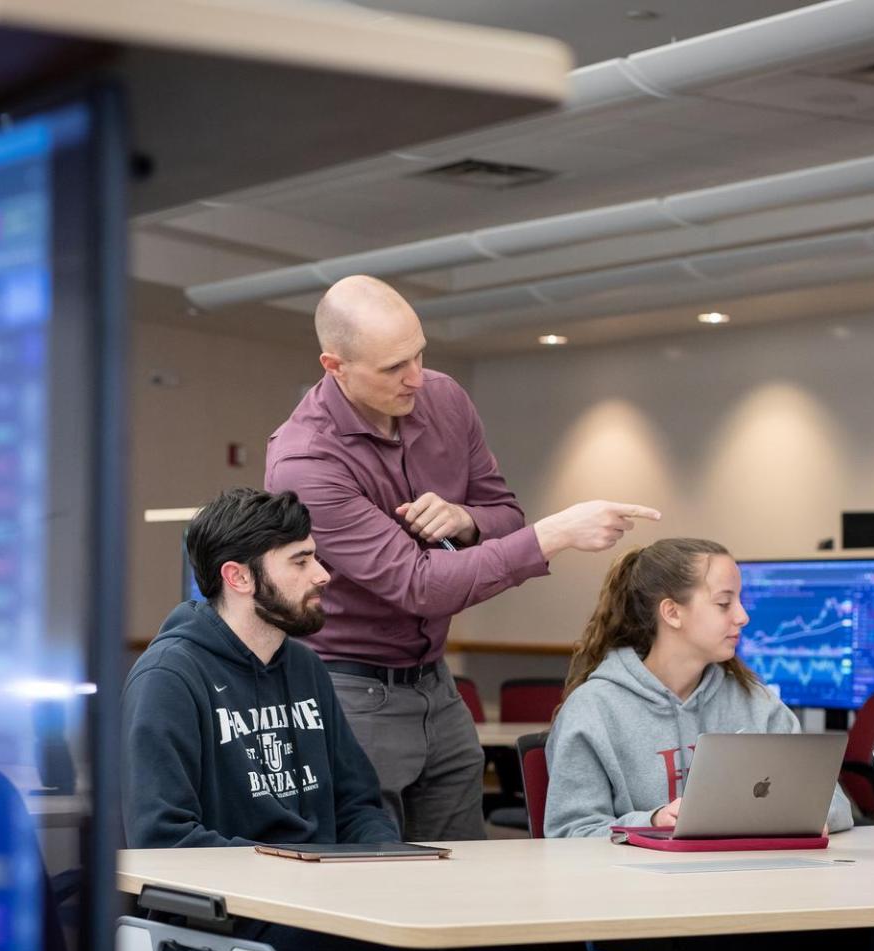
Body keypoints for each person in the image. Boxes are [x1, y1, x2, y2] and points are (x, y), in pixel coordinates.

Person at [123, 487, 559, 951]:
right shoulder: (170, 676)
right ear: (239, 577)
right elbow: (163, 839)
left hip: (321, 908)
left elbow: (356, 801)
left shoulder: (304, 667)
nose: (324, 574)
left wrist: (386, 867)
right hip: (224, 928)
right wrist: (299, 874)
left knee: (514, 948)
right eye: (301, 561)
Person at [266, 273, 660, 842]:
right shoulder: (305, 462)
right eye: (393, 367)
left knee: (460, 873)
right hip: (348, 689)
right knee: (368, 883)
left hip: (436, 683)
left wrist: (466, 519)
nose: (416, 377)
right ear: (336, 366)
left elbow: (502, 511)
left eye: (420, 353)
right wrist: (557, 533)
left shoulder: (444, 397)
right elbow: (420, 586)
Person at [545, 537, 874, 951]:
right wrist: (651, 821)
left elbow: (835, 803)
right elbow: (566, 836)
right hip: (636, 924)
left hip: (746, 908)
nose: (744, 616)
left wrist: (803, 810)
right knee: (751, 946)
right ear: (672, 612)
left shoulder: (752, 699)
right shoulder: (595, 709)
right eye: (726, 602)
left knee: (862, 936)